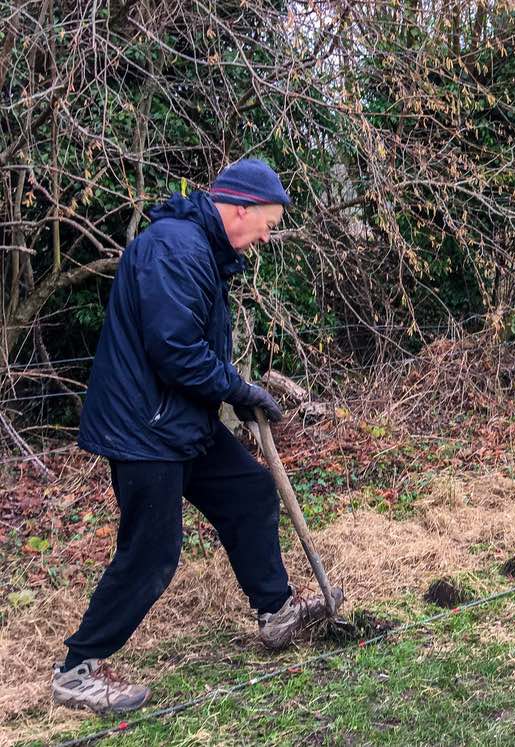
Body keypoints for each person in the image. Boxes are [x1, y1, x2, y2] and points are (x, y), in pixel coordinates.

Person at [53, 159, 340, 714]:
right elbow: (176, 351)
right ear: (239, 208)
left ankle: (276, 612)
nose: (265, 236)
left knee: (250, 495)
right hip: (145, 429)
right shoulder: (176, 249)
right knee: (152, 552)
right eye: (266, 223)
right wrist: (239, 389)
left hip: (179, 421)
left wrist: (233, 390)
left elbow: (189, 347)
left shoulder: (199, 248)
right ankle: (76, 670)